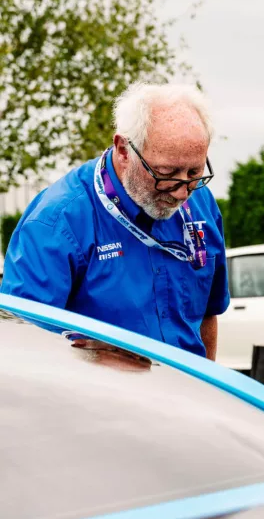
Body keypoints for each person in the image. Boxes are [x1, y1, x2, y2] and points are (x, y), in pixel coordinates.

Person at [1, 82, 230, 360]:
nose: (183, 192)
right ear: (123, 150)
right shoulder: (56, 223)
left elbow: (207, 315)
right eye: (166, 173)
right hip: (103, 400)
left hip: (184, 397)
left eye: (195, 172)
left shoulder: (202, 205)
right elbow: (25, 349)